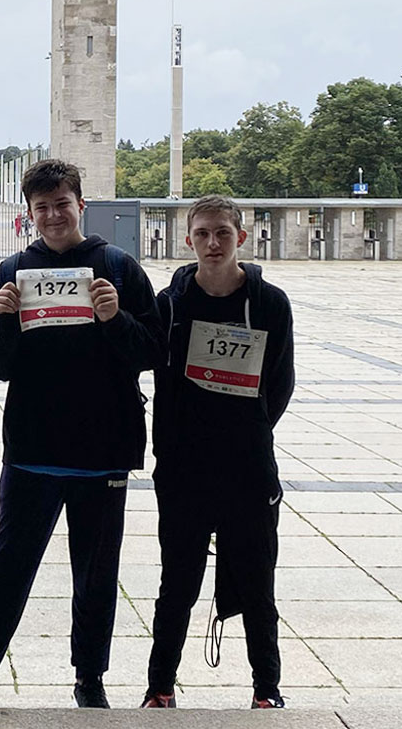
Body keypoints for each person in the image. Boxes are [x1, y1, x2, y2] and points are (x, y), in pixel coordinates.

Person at [0, 159, 162, 710]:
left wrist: (116, 318)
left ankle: (90, 681)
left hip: (102, 452)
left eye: (62, 204)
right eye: (42, 208)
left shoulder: (119, 267)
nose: (54, 215)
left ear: (81, 204)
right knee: (9, 572)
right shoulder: (14, 269)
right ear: (29, 214)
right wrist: (5, 317)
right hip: (33, 452)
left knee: (97, 577)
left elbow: (155, 351)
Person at [141, 195, 295, 710]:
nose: (212, 243)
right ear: (188, 240)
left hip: (247, 469)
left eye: (222, 234)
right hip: (183, 470)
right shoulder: (170, 304)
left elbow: (280, 383)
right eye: (203, 234)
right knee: (177, 584)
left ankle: (266, 690)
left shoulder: (270, 303)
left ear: (240, 239)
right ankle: (160, 688)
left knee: (257, 583)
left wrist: (247, 431)